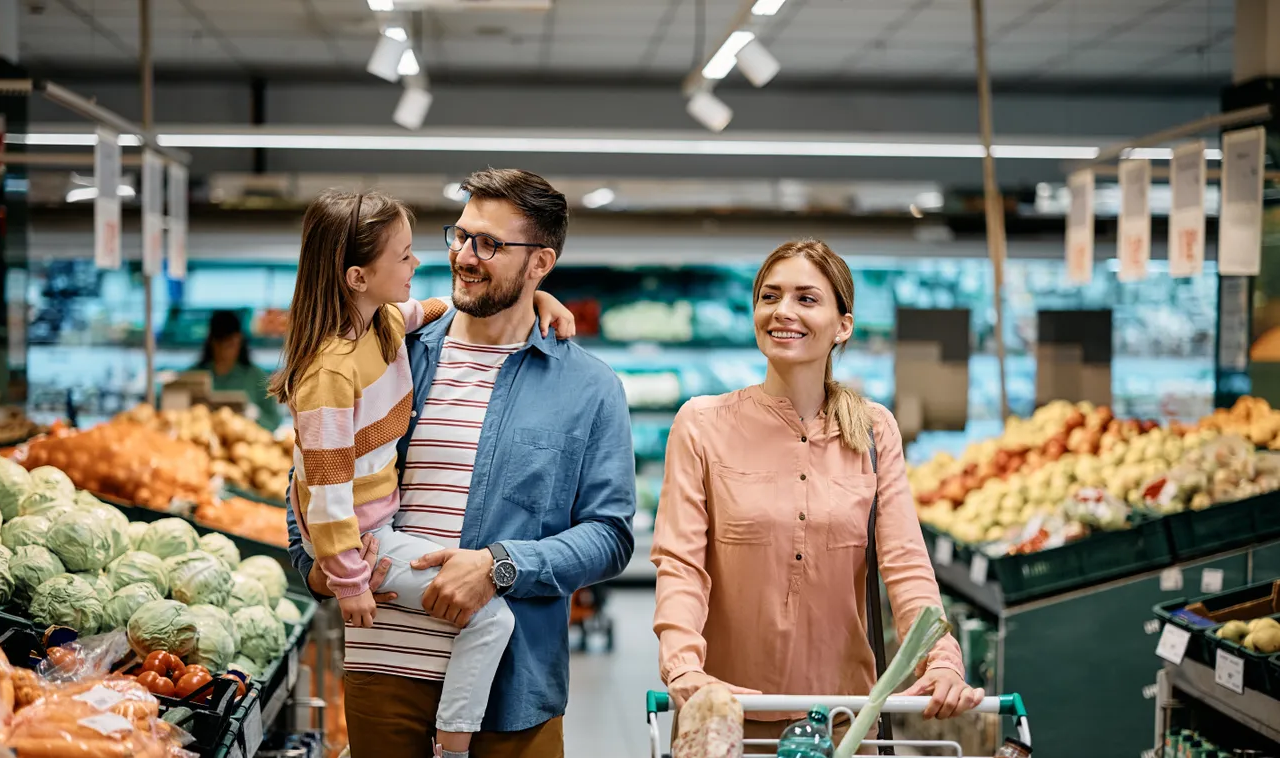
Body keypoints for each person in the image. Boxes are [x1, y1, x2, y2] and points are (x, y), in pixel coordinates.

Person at [285, 169, 637, 758]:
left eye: (490, 244)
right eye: (460, 235)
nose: (463, 256)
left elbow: (610, 537)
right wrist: (319, 571)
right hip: (383, 668)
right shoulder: (390, 345)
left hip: (512, 683)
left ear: (540, 263)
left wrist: (500, 567)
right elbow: (312, 478)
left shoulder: (588, 387)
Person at [651, 239, 984, 753]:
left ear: (842, 325)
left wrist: (941, 659)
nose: (783, 311)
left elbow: (905, 565)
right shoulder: (701, 424)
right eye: (769, 296)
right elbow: (680, 564)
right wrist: (683, 668)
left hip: (844, 723)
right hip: (725, 719)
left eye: (806, 298)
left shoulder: (874, 430)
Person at [194, 309, 281, 429]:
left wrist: (256, 416)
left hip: (247, 443)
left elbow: (274, 422)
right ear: (211, 343)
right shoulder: (193, 375)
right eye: (220, 344)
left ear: (239, 341)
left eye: (230, 344)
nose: (224, 351)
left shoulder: (257, 377)